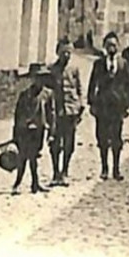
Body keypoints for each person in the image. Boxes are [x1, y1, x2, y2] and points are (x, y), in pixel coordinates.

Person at [87, 31, 129, 181]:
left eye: (114, 45)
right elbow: (92, 84)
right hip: (103, 106)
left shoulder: (123, 64)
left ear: (118, 46)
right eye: (108, 45)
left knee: (117, 138)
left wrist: (127, 105)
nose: (111, 47)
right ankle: (104, 168)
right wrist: (91, 103)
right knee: (102, 138)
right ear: (104, 47)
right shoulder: (98, 63)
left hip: (117, 107)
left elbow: (128, 85)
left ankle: (116, 169)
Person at [11, 67, 55, 196]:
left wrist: (52, 132)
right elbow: (18, 115)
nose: (40, 81)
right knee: (23, 157)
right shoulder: (25, 94)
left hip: (39, 130)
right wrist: (15, 134)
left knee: (34, 156)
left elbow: (51, 114)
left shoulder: (48, 94)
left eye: (43, 77)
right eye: (37, 77)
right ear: (33, 78)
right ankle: (17, 183)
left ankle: (35, 183)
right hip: (25, 131)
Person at [47, 38, 84, 186]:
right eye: (64, 52)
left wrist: (81, 106)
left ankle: (65, 171)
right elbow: (48, 92)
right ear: (58, 52)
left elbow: (79, 88)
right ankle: (55, 172)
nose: (67, 56)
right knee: (55, 144)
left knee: (69, 144)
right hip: (56, 113)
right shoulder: (52, 70)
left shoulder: (74, 69)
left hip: (71, 111)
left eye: (69, 52)